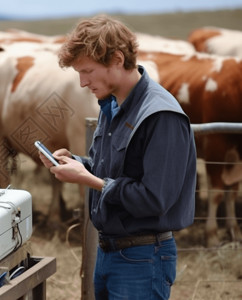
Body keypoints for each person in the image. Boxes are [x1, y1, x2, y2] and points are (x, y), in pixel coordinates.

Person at [37, 15, 196, 299]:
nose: (83, 82)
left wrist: (89, 180)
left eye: (87, 71)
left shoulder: (161, 116)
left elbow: (155, 198)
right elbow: (109, 170)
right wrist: (77, 163)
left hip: (143, 257)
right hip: (110, 250)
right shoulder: (112, 105)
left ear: (117, 59)